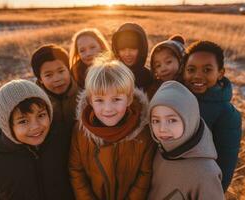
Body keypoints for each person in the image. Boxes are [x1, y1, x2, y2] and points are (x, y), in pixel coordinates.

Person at [0, 79, 74, 199]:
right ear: (7, 125)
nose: (36, 126)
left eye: (41, 115)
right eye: (23, 121)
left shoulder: (63, 139)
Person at [69, 55, 155, 200]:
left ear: (128, 99)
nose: (108, 109)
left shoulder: (143, 133)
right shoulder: (81, 131)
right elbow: (76, 171)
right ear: (90, 100)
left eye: (116, 99)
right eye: (99, 100)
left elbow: (144, 174)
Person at [148, 81, 224, 200]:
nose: (162, 129)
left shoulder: (205, 173)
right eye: (156, 121)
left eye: (172, 120)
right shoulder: (158, 151)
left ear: (189, 119)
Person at [182, 40, 242, 191]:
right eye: (191, 69)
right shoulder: (180, 101)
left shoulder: (227, 114)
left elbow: (225, 167)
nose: (197, 76)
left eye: (207, 70)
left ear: (220, 73)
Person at [31, 43, 80, 128]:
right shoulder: (34, 100)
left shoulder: (82, 92)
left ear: (68, 70)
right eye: (49, 75)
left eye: (61, 71)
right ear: (40, 79)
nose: (57, 79)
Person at [112, 22, 153, 91]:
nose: (127, 54)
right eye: (122, 49)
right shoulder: (111, 75)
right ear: (116, 50)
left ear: (142, 49)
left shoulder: (149, 77)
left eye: (132, 48)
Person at [147, 34, 185, 99]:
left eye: (168, 62)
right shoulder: (154, 88)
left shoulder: (187, 84)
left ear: (181, 60)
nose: (163, 69)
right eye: (158, 66)